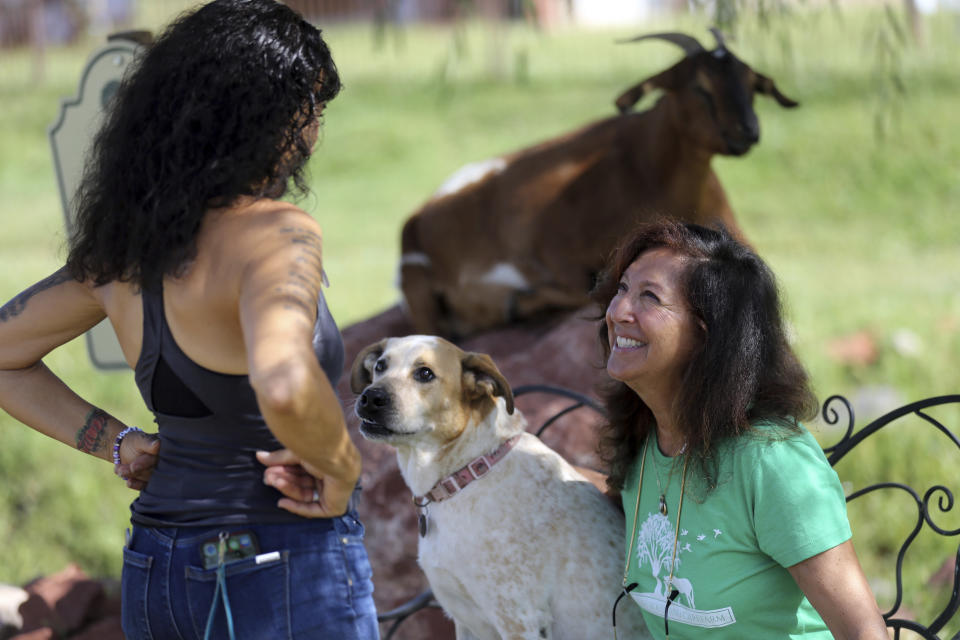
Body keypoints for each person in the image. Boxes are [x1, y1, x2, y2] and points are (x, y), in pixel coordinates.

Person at [0, 1, 379, 638]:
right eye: (312, 110)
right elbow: (284, 382)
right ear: (271, 118)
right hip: (277, 561)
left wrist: (116, 442)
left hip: (157, 569)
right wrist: (342, 468)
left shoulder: (120, 256)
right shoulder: (278, 235)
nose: (314, 132)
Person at [593, 220, 887, 639]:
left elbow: (864, 633)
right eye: (622, 288)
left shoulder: (771, 460)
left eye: (649, 297)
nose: (618, 311)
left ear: (706, 335)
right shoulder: (648, 444)